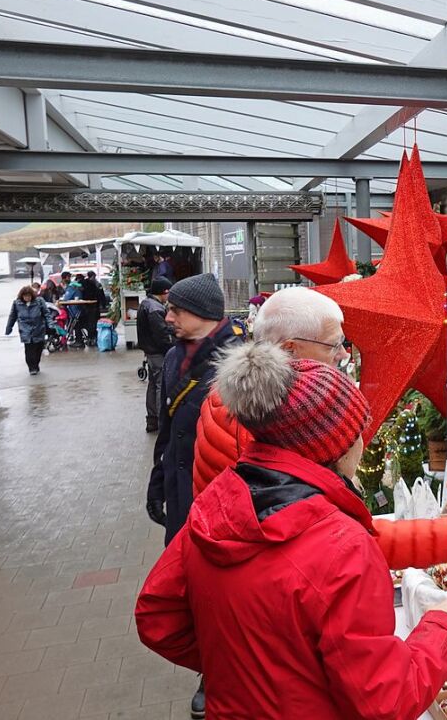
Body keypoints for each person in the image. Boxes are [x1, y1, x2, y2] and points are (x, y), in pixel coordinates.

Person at [136, 340, 447, 720]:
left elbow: (158, 616)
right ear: (338, 447)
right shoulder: (343, 547)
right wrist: (442, 626)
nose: (362, 442)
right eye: (358, 431)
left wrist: (248, 668)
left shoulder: (216, 504)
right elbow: (386, 701)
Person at [194, 286, 447, 566]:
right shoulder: (265, 420)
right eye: (333, 345)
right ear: (290, 349)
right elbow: (339, 541)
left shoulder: (246, 402)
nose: (343, 354)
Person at [145, 273, 243, 718]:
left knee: (225, 591)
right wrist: (157, 480)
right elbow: (167, 426)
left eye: (175, 310)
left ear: (202, 314)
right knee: (192, 588)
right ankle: (208, 662)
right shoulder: (171, 358)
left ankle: (217, 675)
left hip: (223, 497)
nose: (167, 317)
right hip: (181, 491)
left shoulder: (240, 363)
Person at [137, 277, 173, 433]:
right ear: (164, 292)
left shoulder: (146, 304)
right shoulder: (156, 309)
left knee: (152, 385)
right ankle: (161, 421)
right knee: (160, 386)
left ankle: (151, 420)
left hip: (149, 352)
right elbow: (162, 335)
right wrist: (172, 348)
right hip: (158, 353)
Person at [5, 285, 56, 375]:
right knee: (29, 350)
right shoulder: (17, 304)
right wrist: (9, 328)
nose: (27, 298)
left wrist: (51, 325)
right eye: (25, 296)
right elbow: (12, 316)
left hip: (38, 329)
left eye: (28, 296)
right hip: (25, 330)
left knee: (38, 348)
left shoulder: (39, 302)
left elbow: (46, 314)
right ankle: (31, 368)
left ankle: (36, 364)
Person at [60, 274, 85, 345]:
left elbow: (66, 298)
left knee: (76, 324)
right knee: (77, 324)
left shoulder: (70, 288)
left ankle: (79, 341)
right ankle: (79, 339)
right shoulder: (75, 287)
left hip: (75, 309)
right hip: (77, 309)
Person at [80, 272, 102, 347]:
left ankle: (91, 338)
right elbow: (100, 295)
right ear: (92, 276)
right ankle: (92, 338)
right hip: (93, 307)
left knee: (90, 323)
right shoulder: (95, 284)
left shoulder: (84, 283)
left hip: (87, 307)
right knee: (92, 324)